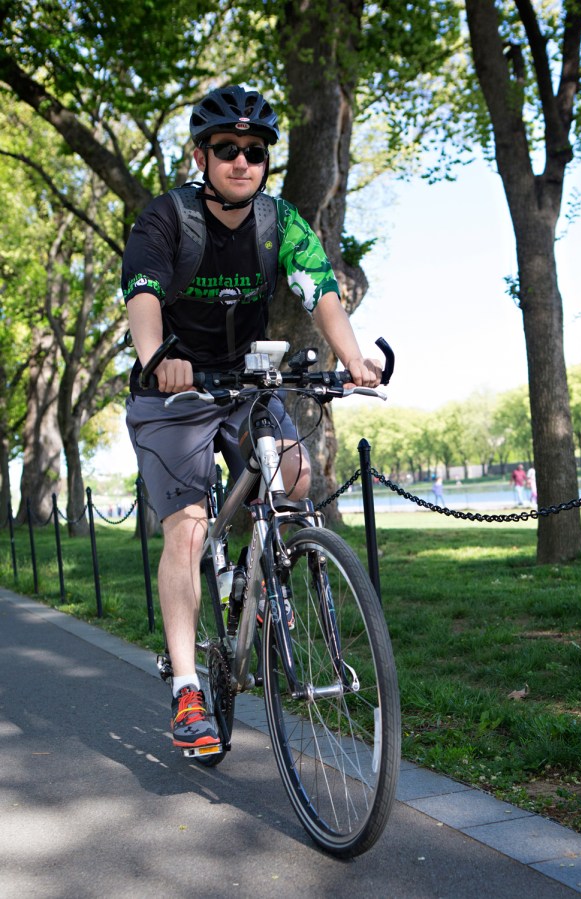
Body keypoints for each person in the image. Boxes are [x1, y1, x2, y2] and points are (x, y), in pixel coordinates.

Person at [121, 85, 383, 752]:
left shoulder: (279, 222)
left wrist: (352, 357)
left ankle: (254, 578)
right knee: (187, 527)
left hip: (246, 384)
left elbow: (321, 289)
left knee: (295, 482)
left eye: (256, 151)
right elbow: (144, 294)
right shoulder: (166, 218)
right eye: (228, 149)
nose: (243, 161)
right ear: (201, 155)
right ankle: (186, 688)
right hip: (173, 390)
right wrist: (157, 358)